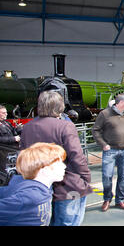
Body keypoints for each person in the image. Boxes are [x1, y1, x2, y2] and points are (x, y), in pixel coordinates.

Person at [20, 91, 92, 226]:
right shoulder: (65, 126)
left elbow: (23, 156)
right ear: (60, 106)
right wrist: (85, 177)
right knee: (67, 222)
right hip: (68, 186)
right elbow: (76, 155)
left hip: (38, 185)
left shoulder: (28, 126)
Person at [0, 142, 67, 226]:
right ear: (44, 169)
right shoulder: (31, 195)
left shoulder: (45, 188)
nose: (64, 166)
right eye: (59, 163)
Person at [92, 93, 124, 212]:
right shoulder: (105, 114)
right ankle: (107, 198)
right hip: (110, 150)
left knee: (123, 176)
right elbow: (96, 131)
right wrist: (103, 144)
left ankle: (120, 200)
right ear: (121, 102)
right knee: (106, 176)